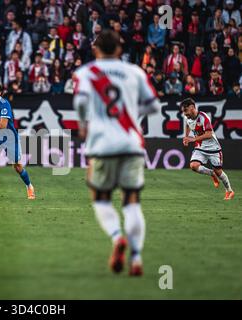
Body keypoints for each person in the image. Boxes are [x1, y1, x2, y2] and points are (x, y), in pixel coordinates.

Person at [73, 30, 161, 276]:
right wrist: (131, 111)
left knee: (100, 198)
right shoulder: (135, 72)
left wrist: (83, 125)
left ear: (95, 49)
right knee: (132, 202)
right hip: (131, 143)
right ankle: (136, 257)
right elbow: (154, 105)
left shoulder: (85, 73)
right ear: (120, 49)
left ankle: (116, 237)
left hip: (101, 144)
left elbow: (80, 102)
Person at [181, 98, 234, 200]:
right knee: (193, 166)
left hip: (213, 148)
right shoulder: (187, 118)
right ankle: (211, 173)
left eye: (186, 110)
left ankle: (229, 191)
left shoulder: (204, 117)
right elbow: (187, 124)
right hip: (200, 147)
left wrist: (193, 139)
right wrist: (186, 137)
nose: (184, 113)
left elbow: (209, 134)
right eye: (183, 111)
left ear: (192, 107)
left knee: (219, 172)